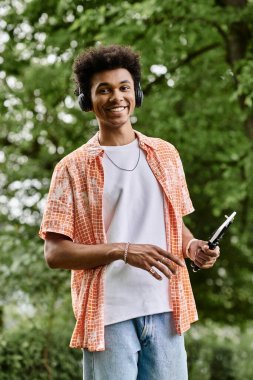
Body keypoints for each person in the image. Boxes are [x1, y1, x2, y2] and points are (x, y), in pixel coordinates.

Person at [39, 44, 220, 380]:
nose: (115, 97)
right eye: (103, 90)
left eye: (123, 87)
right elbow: (55, 252)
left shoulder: (165, 154)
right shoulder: (72, 168)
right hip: (109, 316)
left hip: (167, 309)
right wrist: (122, 251)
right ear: (87, 100)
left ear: (135, 93)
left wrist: (193, 248)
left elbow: (172, 225)